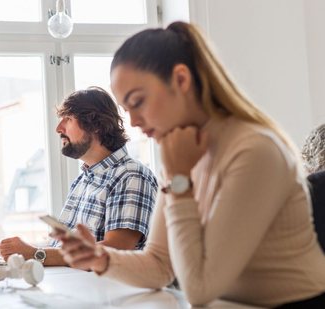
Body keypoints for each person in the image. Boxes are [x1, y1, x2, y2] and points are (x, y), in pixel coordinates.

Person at [56, 22, 325, 308]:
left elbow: (200, 289)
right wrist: (100, 258)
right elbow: (159, 264)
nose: (133, 121)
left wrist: (179, 179)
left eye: (138, 102)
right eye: (127, 109)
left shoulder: (255, 150)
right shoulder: (181, 154)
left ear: (181, 80)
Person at [0, 86, 158, 266]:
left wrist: (35, 254)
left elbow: (116, 249)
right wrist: (18, 251)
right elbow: (65, 248)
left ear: (96, 125)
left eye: (67, 119)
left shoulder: (131, 176)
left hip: (108, 291)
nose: (59, 128)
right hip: (76, 287)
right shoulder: (82, 181)